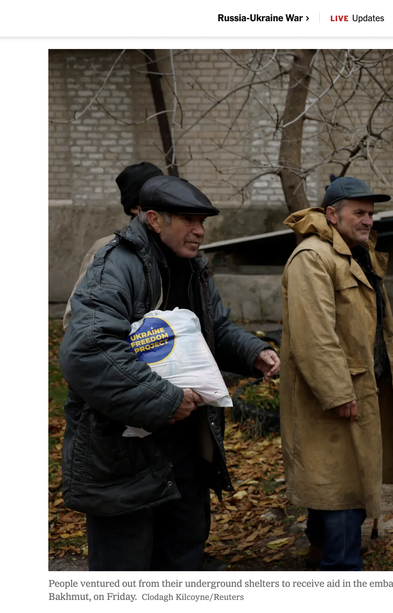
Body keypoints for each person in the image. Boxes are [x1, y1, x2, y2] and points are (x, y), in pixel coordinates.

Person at [58, 175, 281, 571]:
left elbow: (216, 329)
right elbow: (88, 352)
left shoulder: (194, 267)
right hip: (123, 454)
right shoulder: (115, 265)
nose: (200, 230)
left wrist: (254, 352)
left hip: (186, 450)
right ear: (154, 220)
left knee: (182, 559)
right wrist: (167, 400)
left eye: (203, 222)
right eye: (189, 220)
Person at [279, 176, 393, 571]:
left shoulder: (355, 252)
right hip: (337, 393)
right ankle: (341, 570)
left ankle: (322, 548)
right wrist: (337, 392)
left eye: (371, 213)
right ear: (332, 215)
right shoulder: (312, 258)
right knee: (343, 482)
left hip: (360, 386)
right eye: (359, 213)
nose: (368, 220)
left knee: (338, 473)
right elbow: (314, 332)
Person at [62, 161, 162, 330]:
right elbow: (78, 323)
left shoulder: (182, 248)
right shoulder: (107, 250)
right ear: (135, 208)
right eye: (158, 196)